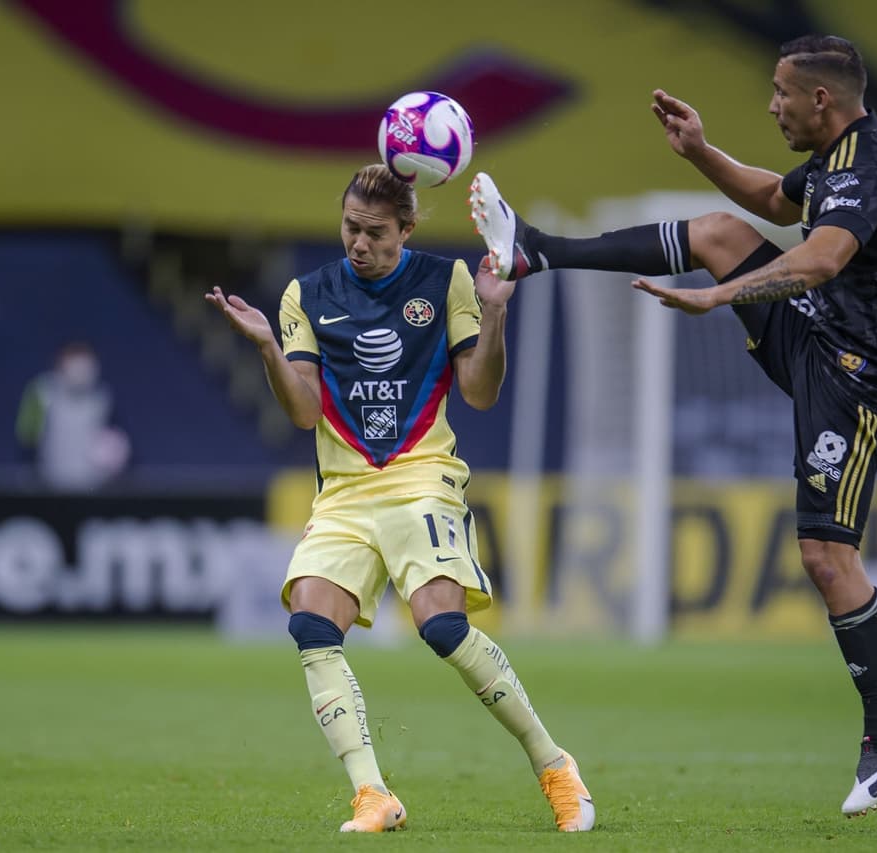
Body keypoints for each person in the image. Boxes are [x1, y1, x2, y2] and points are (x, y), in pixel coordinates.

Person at [468, 34, 877, 817]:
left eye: (783, 93)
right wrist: (701, 152)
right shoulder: (838, 155)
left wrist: (720, 299)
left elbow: (819, 258)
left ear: (823, 99)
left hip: (862, 384)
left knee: (825, 555)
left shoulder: (871, 167)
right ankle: (533, 253)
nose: (774, 105)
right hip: (824, 339)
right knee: (719, 233)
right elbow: (779, 206)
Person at [205, 164, 594, 833]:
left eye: (376, 233)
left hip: (421, 478)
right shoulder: (308, 293)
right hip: (346, 491)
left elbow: (479, 390)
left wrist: (495, 309)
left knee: (441, 626)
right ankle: (372, 794)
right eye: (350, 228)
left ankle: (555, 763)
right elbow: (302, 412)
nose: (359, 243)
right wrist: (269, 346)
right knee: (310, 622)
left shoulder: (445, 282)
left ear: (407, 229)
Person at [15, 340, 130, 492]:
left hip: (94, 486)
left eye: (86, 364)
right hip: (50, 484)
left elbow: (118, 442)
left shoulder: (103, 397)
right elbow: (27, 438)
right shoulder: (42, 393)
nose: (80, 370)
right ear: (59, 365)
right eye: (74, 362)